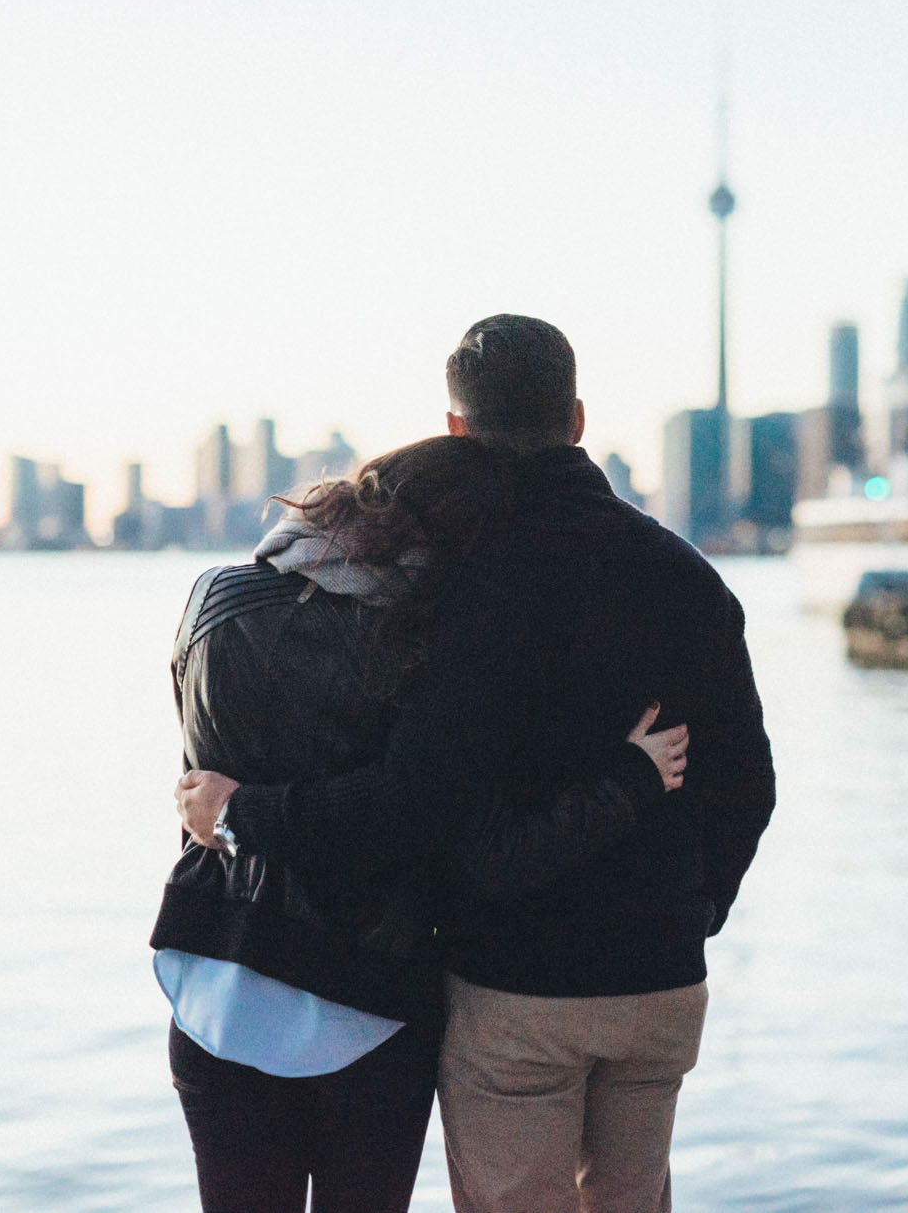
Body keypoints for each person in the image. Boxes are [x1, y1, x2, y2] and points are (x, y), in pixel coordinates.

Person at [179, 314, 777, 1213]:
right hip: (660, 979)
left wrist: (240, 812)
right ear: (577, 419)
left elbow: (417, 799)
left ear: (457, 428)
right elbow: (751, 786)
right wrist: (690, 909)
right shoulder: (690, 577)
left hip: (517, 984)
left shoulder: (466, 581)